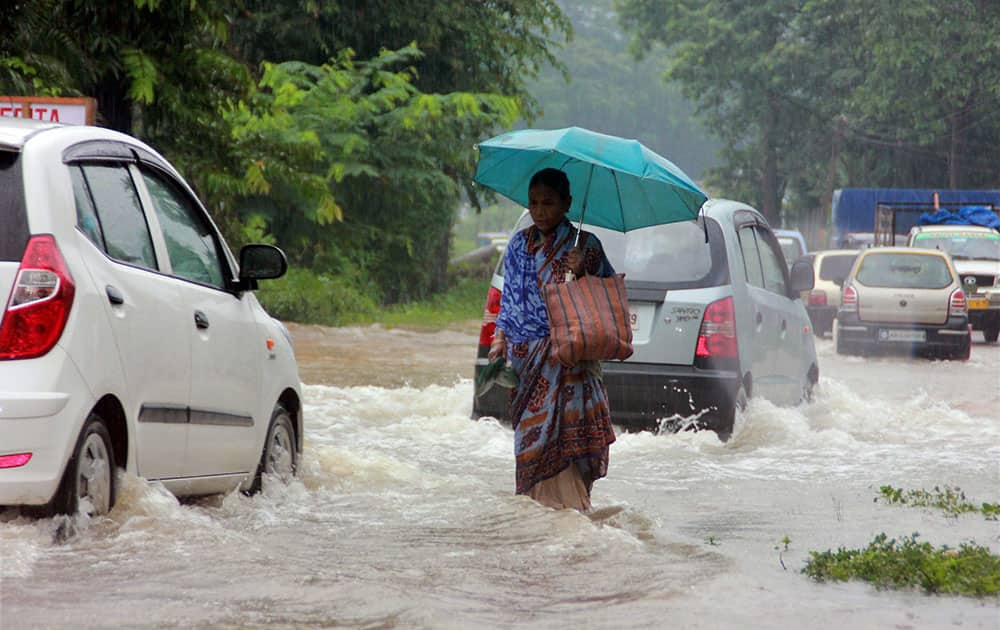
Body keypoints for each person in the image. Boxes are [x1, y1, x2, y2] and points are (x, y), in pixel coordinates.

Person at [489, 167, 617, 511]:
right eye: (534, 203)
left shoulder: (586, 246)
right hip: (527, 361)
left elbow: (605, 295)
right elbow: (510, 300)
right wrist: (498, 340)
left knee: (570, 436)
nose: (540, 211)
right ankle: (536, 511)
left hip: (570, 360)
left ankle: (573, 509)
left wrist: (585, 268)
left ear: (567, 204)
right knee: (532, 440)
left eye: (548, 202)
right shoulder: (519, 244)